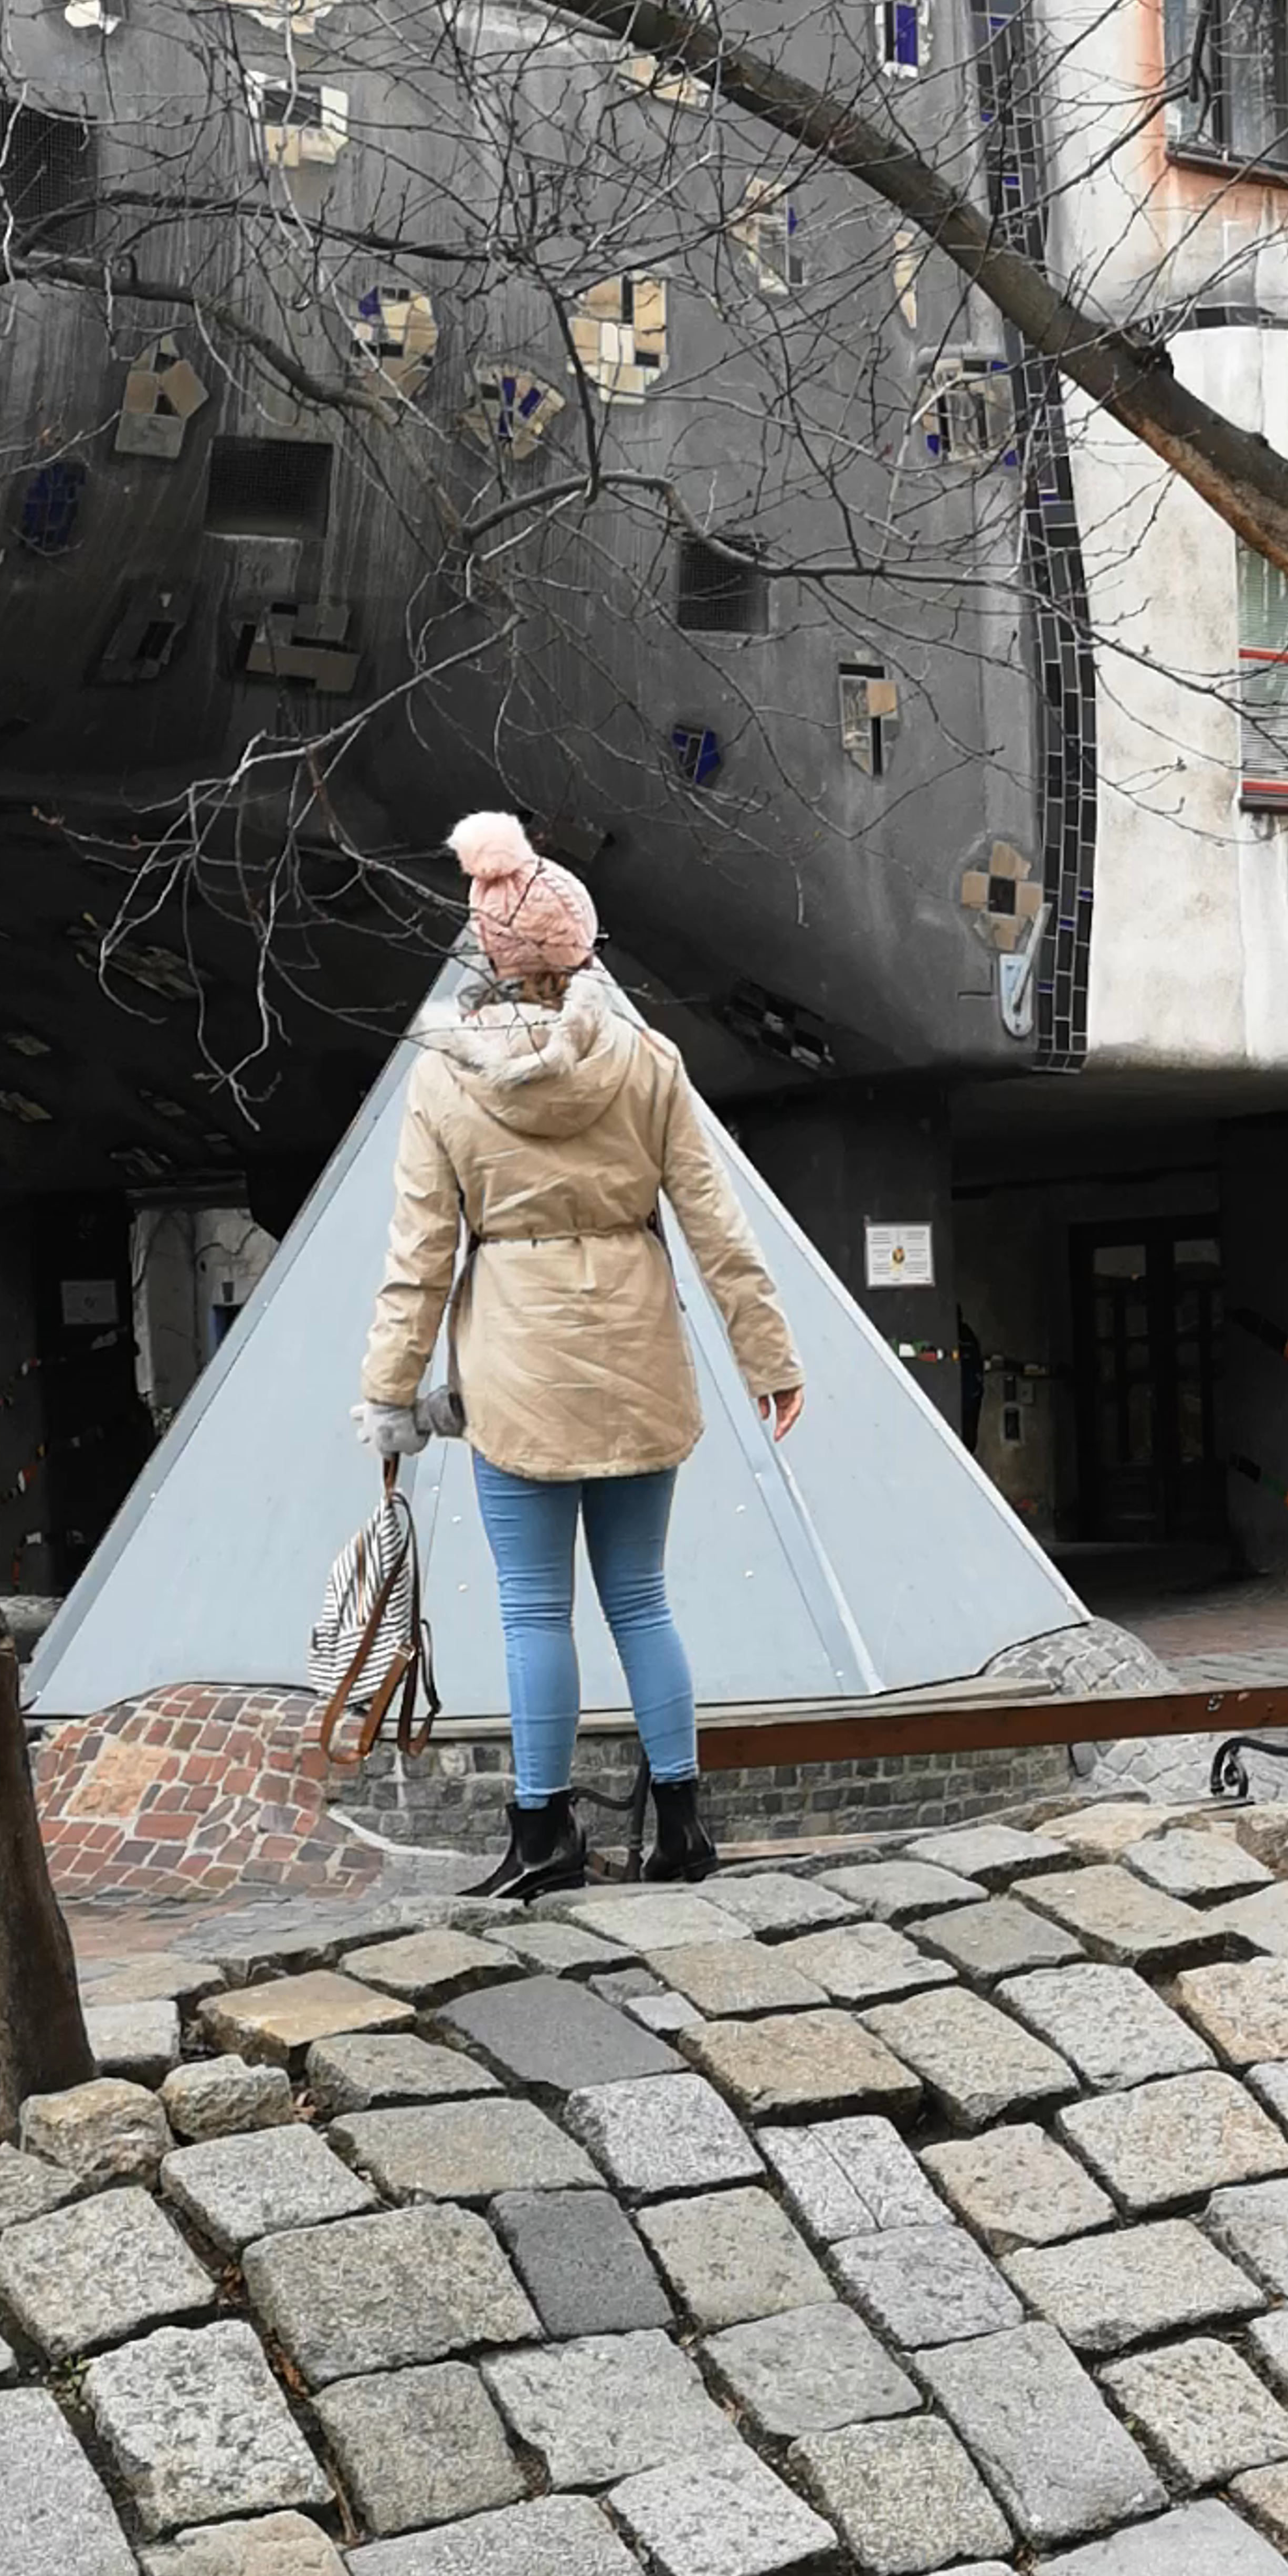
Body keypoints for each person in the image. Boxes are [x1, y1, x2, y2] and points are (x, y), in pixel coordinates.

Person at [354, 810, 805, 1899]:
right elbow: (714, 1222)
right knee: (642, 1599)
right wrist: (767, 1357)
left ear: (488, 953)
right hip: (639, 1344)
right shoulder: (648, 1064)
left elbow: (419, 1255)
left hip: (516, 1362)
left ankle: (545, 1838)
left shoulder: (444, 1079)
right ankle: (682, 1830)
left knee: (530, 1610)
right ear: (583, 948)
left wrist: (389, 1396)